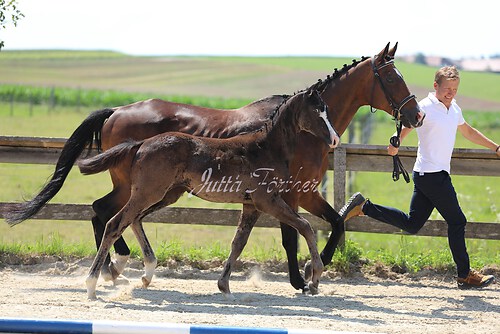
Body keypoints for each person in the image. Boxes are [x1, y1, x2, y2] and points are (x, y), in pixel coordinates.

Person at [340, 65, 499, 289]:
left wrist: (495, 147)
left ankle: (364, 207)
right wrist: (396, 142)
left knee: (412, 224)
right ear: (436, 86)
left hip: (429, 175)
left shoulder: (454, 109)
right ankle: (465, 275)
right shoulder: (425, 106)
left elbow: (469, 131)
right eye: (447, 88)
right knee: (457, 221)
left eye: (454, 89)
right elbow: (409, 124)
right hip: (432, 176)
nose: (451, 92)